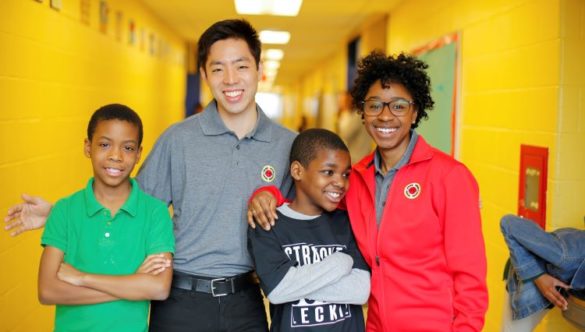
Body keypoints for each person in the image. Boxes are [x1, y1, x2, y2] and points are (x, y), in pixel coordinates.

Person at [4, 19, 296, 332]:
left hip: (246, 301)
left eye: (241, 66)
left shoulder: (288, 145)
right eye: (217, 69)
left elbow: (304, 221)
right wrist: (58, 214)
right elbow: (130, 206)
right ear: (204, 75)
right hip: (179, 300)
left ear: (258, 69)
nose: (230, 79)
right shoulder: (178, 139)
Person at [248, 51, 488, 331]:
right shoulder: (357, 178)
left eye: (398, 106)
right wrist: (268, 195)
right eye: (375, 105)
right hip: (375, 325)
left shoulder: (449, 177)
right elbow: (309, 199)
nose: (385, 116)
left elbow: (470, 277)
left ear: (415, 112)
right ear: (363, 113)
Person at [37, 104, 175, 331]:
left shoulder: (156, 212)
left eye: (128, 148)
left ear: (139, 154)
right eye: (104, 144)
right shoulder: (64, 210)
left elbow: (158, 288)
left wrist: (82, 278)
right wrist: (132, 285)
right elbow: (47, 291)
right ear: (87, 147)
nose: (115, 156)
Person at [248, 128, 370, 331]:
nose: (340, 182)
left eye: (345, 174)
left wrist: (293, 284)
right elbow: (278, 291)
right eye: (328, 172)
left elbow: (360, 290)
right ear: (297, 171)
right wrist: (340, 263)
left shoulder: (346, 221)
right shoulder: (268, 222)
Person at [500, 214, 585, 331]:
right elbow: (509, 223)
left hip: (556, 279)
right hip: (526, 275)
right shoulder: (566, 254)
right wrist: (538, 276)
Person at [336, 91, 372, 162]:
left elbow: (345, 135)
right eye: (341, 101)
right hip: (360, 156)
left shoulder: (357, 116)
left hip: (357, 157)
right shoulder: (356, 115)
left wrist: (343, 115)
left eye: (344, 100)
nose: (341, 103)